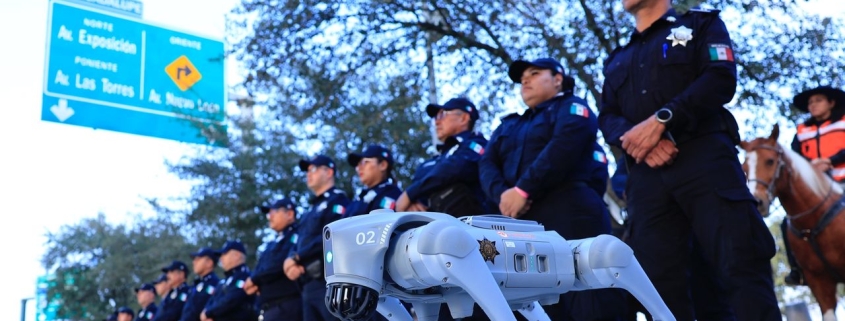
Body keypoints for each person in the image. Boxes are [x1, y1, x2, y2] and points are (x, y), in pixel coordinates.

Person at [597, 0, 780, 319]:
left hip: (705, 158)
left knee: (740, 260)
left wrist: (663, 120)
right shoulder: (617, 59)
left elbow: (720, 77)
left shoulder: (700, 25)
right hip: (647, 175)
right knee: (657, 282)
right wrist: (642, 141)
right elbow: (608, 116)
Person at [479, 57, 623, 321]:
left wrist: (522, 191)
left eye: (534, 74)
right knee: (538, 301)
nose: (525, 80)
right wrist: (504, 196)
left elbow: (564, 147)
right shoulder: (509, 124)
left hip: (570, 210)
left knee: (589, 295)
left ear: (558, 79)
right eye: (522, 78)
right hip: (519, 221)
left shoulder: (572, 107)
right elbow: (487, 163)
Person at [782, 85, 845, 285]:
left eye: (818, 100)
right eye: (810, 102)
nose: (813, 105)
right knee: (789, 222)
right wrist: (812, 165)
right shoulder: (802, 131)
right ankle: (798, 270)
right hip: (816, 187)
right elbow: (793, 156)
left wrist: (830, 160)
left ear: (831, 103)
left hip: (842, 180)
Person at [395, 97, 492, 216]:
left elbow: (455, 168)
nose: (437, 122)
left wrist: (410, 193)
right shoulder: (435, 160)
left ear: (463, 118)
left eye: (442, 114)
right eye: (436, 117)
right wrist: (413, 203)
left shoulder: (476, 144)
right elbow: (427, 174)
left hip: (471, 223)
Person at [284, 155, 349, 321]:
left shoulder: (338, 200)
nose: (308, 174)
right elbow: (298, 240)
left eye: (313, 169)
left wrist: (297, 257)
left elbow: (332, 234)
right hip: (307, 284)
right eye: (307, 171)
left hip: (328, 281)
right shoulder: (309, 211)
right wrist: (290, 261)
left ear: (329, 172)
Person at [245, 198, 302, 321]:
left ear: (289, 214)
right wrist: (254, 280)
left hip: (287, 306)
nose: (269, 217)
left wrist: (254, 279)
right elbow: (261, 265)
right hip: (269, 308)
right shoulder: (271, 244)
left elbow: (279, 263)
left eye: (274, 212)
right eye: (268, 214)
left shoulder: (297, 235)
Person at [202, 241, 256, 321]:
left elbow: (232, 299)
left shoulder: (245, 276)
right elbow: (212, 299)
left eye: (224, 254)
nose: (221, 258)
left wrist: (208, 313)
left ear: (237, 255)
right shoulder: (224, 281)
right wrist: (206, 312)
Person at [346, 144, 403, 216]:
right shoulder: (359, 198)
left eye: (364, 162)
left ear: (383, 165)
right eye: (358, 165)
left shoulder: (393, 195)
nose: (358, 168)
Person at [180, 248, 221, 321]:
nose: (194, 262)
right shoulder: (197, 283)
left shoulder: (213, 284)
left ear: (209, 263)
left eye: (198, 259)